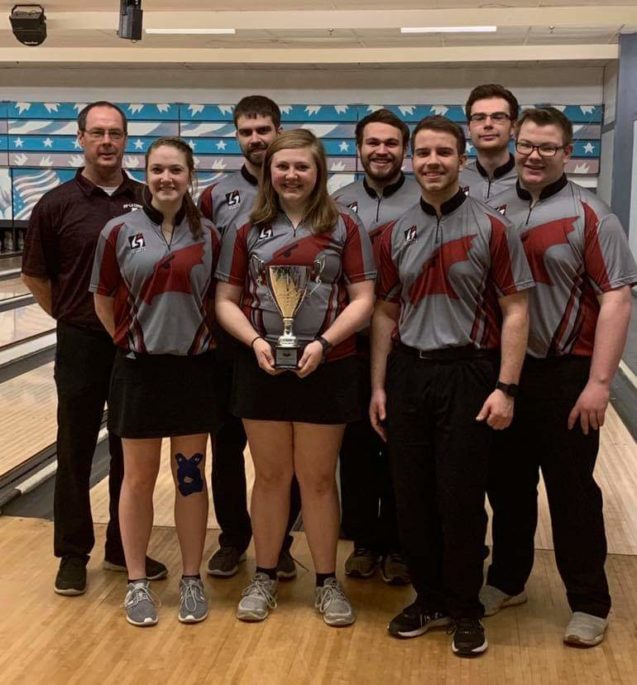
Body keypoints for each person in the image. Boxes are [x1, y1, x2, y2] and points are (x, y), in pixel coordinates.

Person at [370, 115, 533, 657]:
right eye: (424, 153)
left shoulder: (493, 227)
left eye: (444, 153)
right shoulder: (394, 232)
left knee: (460, 498)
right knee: (411, 497)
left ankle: (465, 606)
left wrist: (506, 387)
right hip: (409, 374)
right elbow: (385, 312)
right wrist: (379, 387)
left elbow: (515, 310)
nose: (432, 162)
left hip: (470, 374)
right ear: (412, 160)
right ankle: (429, 597)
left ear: (461, 159)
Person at [482, 107, 637, 647]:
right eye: (526, 144)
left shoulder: (592, 215)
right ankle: (507, 579)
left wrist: (599, 384)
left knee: (572, 492)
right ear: (513, 144)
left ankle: (590, 601)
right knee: (507, 486)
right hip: (505, 375)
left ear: (567, 154)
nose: (533, 155)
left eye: (547, 147)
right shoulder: (491, 206)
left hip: (567, 374)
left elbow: (616, 297)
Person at [215, 129, 376, 627]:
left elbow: (365, 298)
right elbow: (225, 299)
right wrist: (256, 342)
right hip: (262, 364)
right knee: (269, 477)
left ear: (318, 171)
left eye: (301, 167)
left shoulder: (345, 227)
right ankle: (264, 576)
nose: (290, 175)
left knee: (319, 480)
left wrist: (324, 344)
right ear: (269, 171)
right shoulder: (246, 228)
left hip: (328, 367)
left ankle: (327, 583)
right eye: (282, 166)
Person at [21, 101, 167, 596]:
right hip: (82, 342)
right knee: (75, 447)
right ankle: (73, 552)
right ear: (79, 139)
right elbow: (35, 275)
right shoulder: (56, 204)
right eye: (97, 133)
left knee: (133, 450)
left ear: (128, 141)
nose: (107, 141)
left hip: (136, 345)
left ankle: (122, 547)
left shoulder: (149, 199)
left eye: (116, 133)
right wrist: (71, 315)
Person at [90, 137, 221, 626]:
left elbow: (218, 297)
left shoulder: (209, 234)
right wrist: (129, 340)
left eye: (177, 170)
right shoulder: (118, 230)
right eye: (158, 169)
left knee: (190, 477)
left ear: (191, 176)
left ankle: (191, 579)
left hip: (193, 370)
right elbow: (103, 299)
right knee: (137, 478)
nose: (167, 178)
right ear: (146, 173)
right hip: (138, 371)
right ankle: (138, 582)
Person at [199, 95, 301, 580]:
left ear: (279, 129)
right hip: (229, 345)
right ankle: (234, 538)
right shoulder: (216, 195)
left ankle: (279, 543)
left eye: (264, 129)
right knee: (227, 447)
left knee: (289, 450)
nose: (256, 139)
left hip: (289, 341)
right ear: (236, 135)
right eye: (247, 131)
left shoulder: (306, 192)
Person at [332, 108, 419, 583]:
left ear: (403, 150)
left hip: (408, 343)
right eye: (373, 143)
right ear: (358, 147)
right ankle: (364, 541)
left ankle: (403, 544)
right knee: (358, 449)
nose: (381, 151)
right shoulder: (339, 203)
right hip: (355, 346)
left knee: (403, 448)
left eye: (390, 143)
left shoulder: (426, 198)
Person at [460, 84, 519, 201]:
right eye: (479, 118)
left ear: (513, 127)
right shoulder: (453, 181)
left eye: (498, 117)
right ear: (469, 128)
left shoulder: (530, 181)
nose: (488, 124)